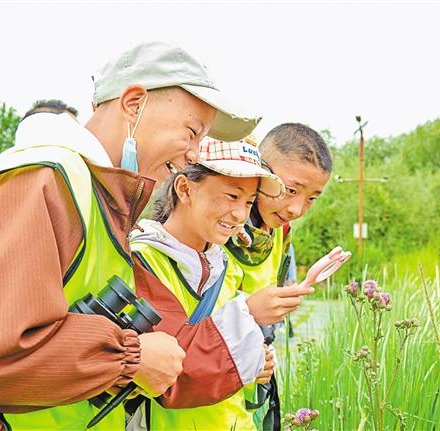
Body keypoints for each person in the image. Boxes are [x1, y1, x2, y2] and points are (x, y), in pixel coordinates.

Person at [0, 41, 260, 431]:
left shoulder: (99, 199)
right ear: (134, 104)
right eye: (192, 132)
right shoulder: (46, 180)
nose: (194, 154)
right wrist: (130, 358)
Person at [127, 137, 312, 430]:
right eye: (231, 196)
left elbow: (230, 368)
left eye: (249, 202)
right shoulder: (142, 261)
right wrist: (248, 316)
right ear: (185, 189)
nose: (240, 214)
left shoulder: (225, 265)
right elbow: (171, 375)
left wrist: (258, 364)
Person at [223, 123, 333, 430]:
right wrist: (249, 312)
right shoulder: (219, 224)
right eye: (291, 190)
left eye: (312, 198)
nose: (297, 208)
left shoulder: (279, 230)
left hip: (249, 387)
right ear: (261, 172)